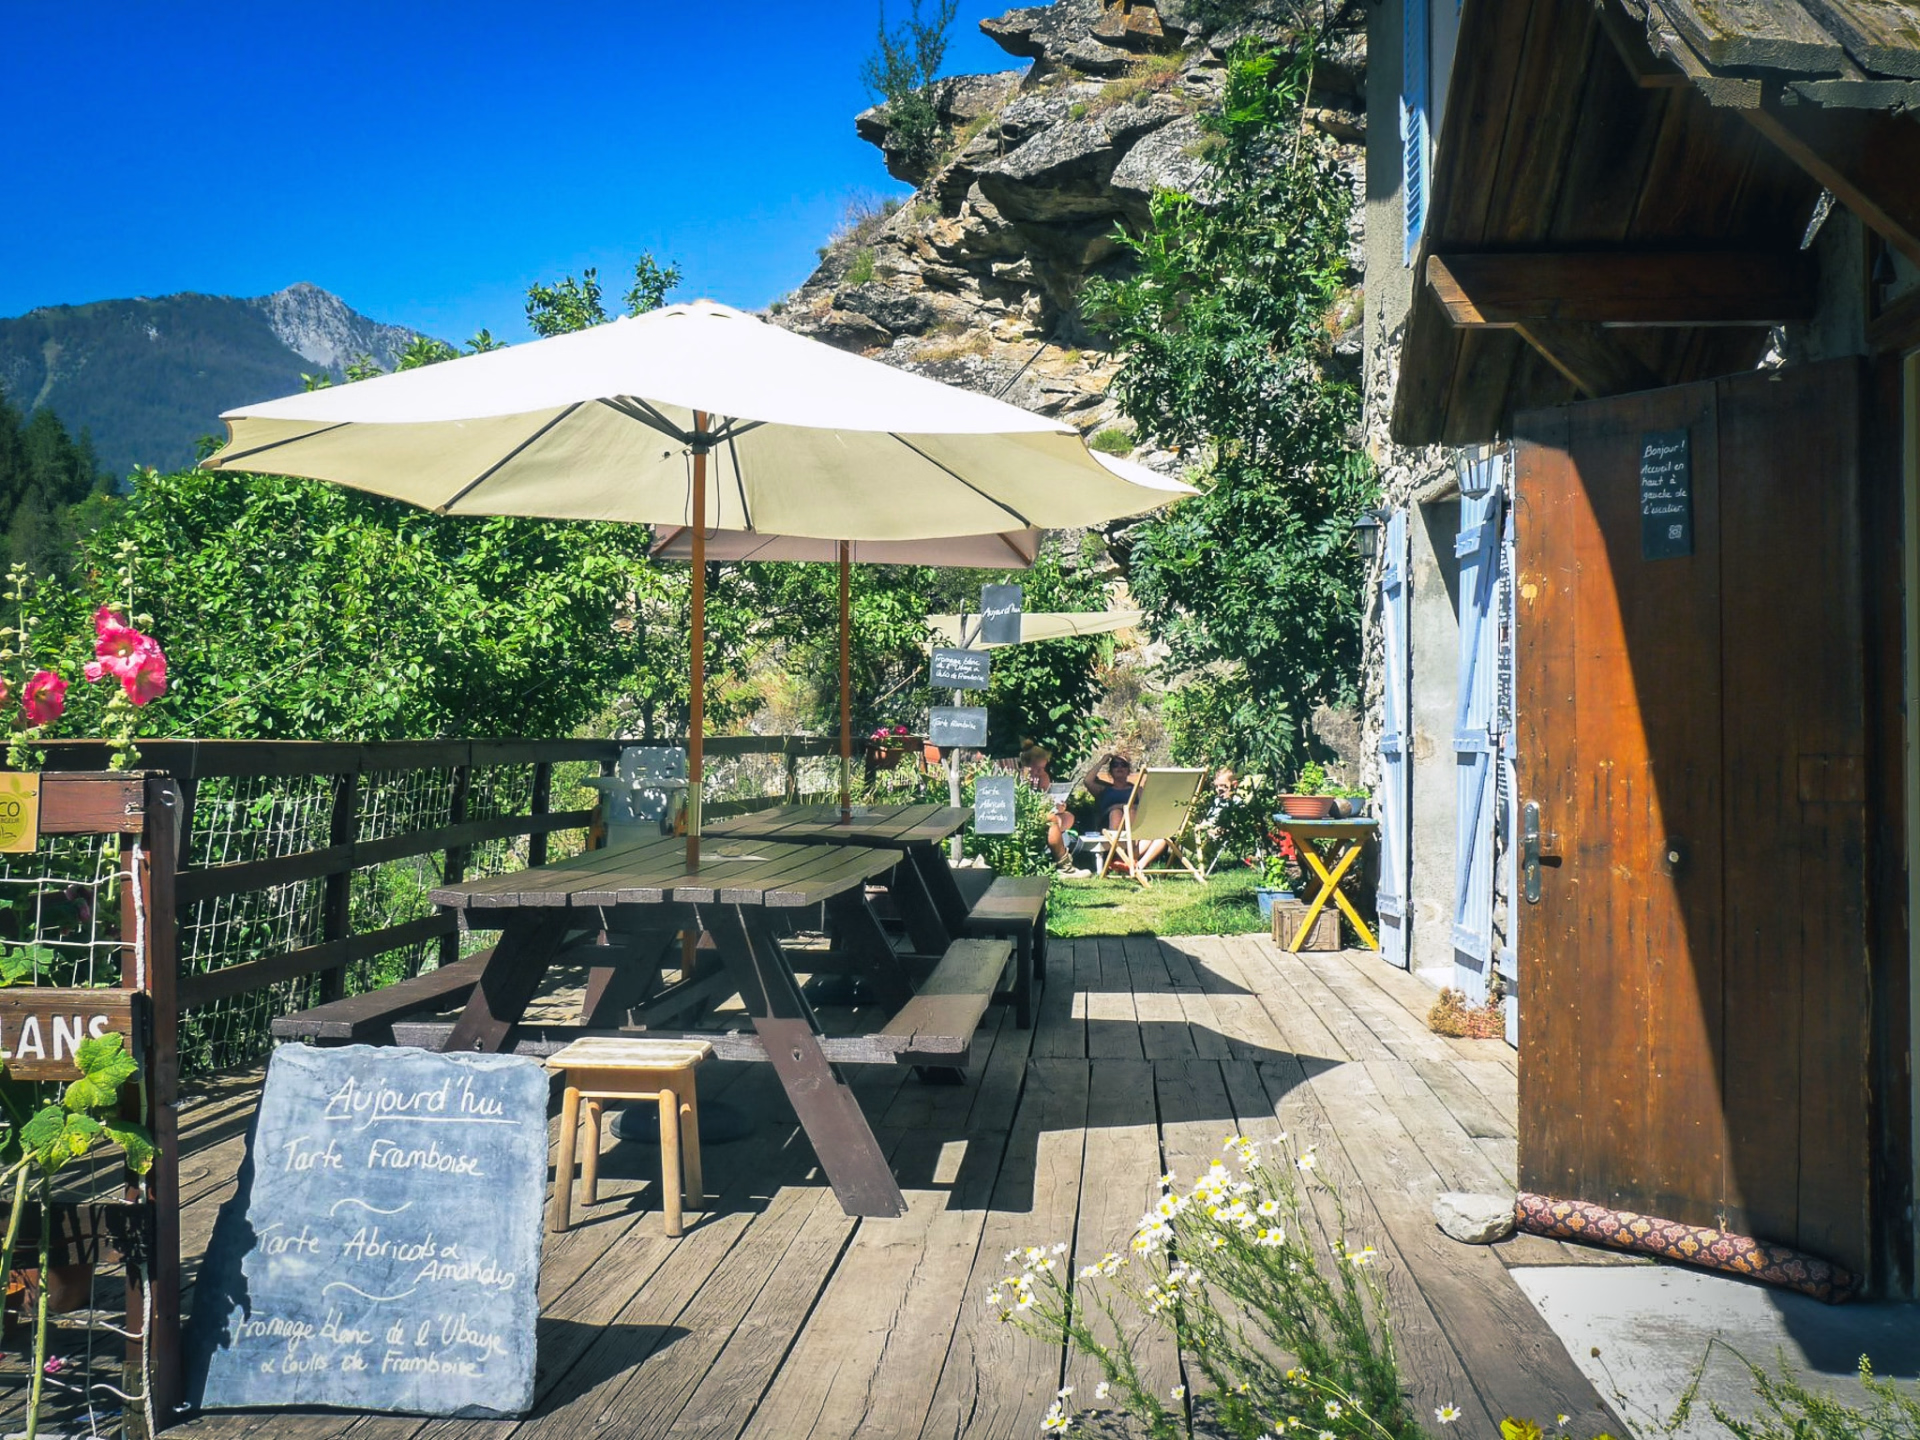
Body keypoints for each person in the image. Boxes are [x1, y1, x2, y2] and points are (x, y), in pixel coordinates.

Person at [1020, 742, 1088, 876]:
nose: (1040, 772)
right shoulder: (1019, 777)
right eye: (1038, 769)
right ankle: (1065, 866)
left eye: (1043, 769)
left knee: (1068, 816)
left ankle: (1055, 840)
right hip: (1026, 815)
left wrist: (1059, 807)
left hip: (1042, 812)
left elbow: (1045, 798)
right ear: (1026, 765)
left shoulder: (1041, 776)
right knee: (1052, 820)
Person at [1095, 754, 1166, 873]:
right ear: (1110, 770)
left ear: (1129, 770)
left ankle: (1135, 865)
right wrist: (1102, 761)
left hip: (1135, 832)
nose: (1119, 767)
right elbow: (1087, 780)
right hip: (1112, 828)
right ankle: (1119, 856)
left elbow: (1145, 809)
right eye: (1115, 765)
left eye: (1123, 765)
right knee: (1117, 812)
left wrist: (1126, 807)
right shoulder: (1104, 789)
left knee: (1162, 838)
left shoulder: (1137, 789)